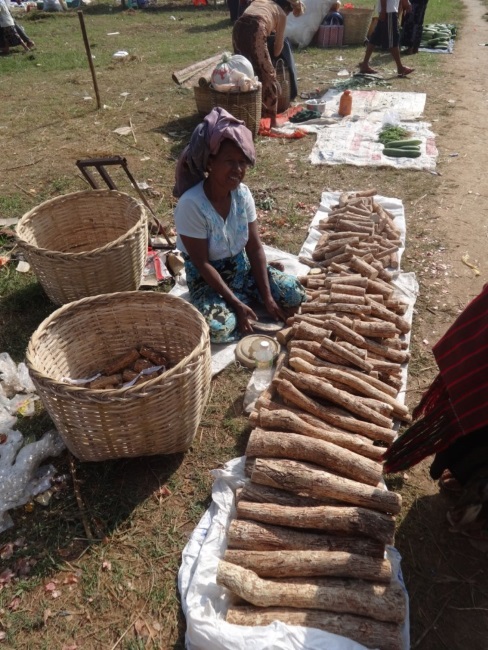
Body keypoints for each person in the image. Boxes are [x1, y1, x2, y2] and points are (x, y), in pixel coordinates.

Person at [173, 107, 307, 344]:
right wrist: (235, 304)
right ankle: (240, 306)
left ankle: (252, 301)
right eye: (229, 162)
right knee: (218, 328)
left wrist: (267, 297)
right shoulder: (191, 204)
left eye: (242, 162)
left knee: (293, 293)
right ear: (210, 163)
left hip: (243, 273)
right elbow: (202, 263)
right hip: (208, 281)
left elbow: (254, 248)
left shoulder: (242, 195)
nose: (237, 170)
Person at [232, 0, 305, 128]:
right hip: (256, 29)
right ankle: (271, 119)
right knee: (269, 75)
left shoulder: (263, 1)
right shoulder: (281, 14)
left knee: (243, 71)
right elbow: (277, 50)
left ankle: (242, 111)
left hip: (238, 28)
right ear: (287, 8)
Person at [359, 0, 414, 78]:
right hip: (388, 11)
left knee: (376, 37)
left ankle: (365, 64)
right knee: (392, 38)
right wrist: (384, 10)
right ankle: (400, 67)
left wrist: (406, 2)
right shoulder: (387, 11)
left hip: (388, 10)